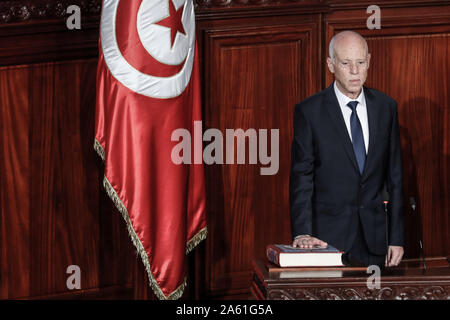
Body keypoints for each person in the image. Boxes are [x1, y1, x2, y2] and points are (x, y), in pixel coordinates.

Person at [289, 30, 404, 268]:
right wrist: (302, 232)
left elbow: (395, 177)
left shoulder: (385, 107)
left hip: (376, 241)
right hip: (326, 241)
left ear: (369, 61)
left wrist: (396, 237)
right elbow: (302, 178)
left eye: (360, 63)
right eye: (346, 63)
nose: (355, 71)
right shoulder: (310, 112)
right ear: (331, 65)